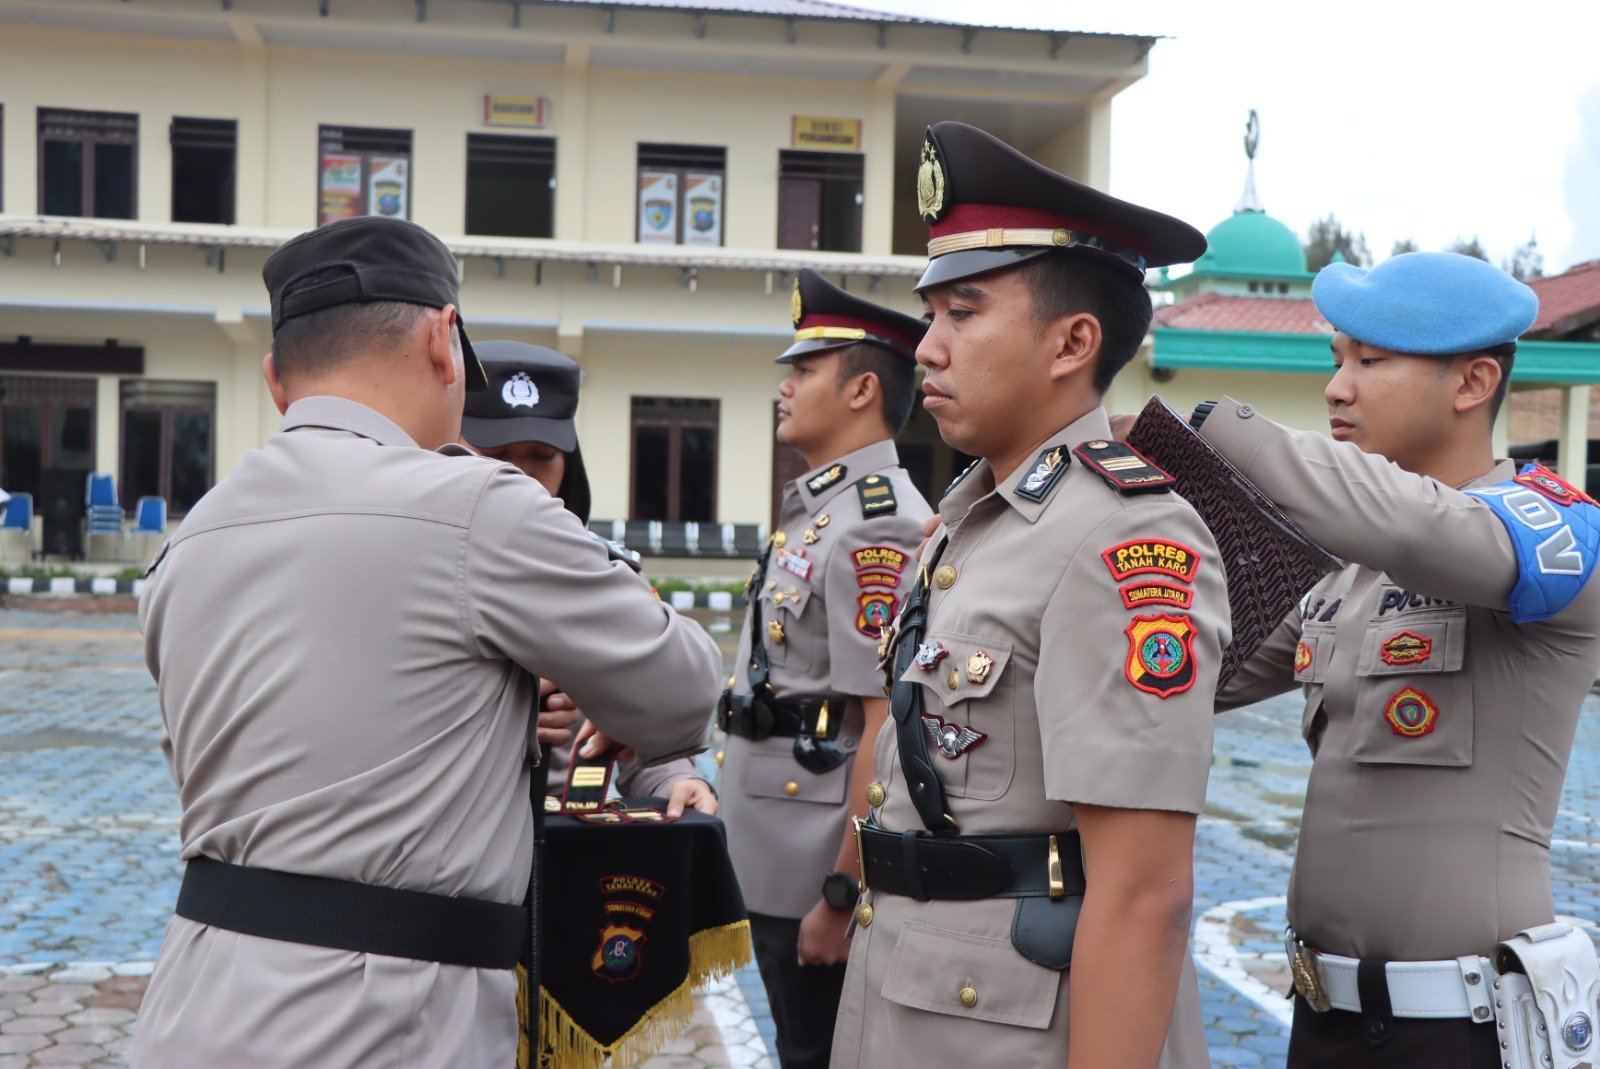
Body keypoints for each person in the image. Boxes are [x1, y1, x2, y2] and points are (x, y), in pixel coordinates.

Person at [130, 215, 723, 1069]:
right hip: (380, 1021)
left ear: (275, 379)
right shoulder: (476, 507)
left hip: (193, 1002)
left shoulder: (188, 542)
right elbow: (682, 689)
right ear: (445, 341)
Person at [830, 122, 1229, 1069]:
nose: (928, 349)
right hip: (911, 999)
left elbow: (1145, 894)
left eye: (962, 314)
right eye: (931, 316)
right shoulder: (970, 521)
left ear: (1072, 343)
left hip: (1014, 1031)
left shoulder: (1125, 535)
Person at [1197, 251, 1600, 1069]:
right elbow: (1199, 671)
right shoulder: (1345, 569)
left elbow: (1420, 527)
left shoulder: (1551, 533)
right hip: (1325, 1020)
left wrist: (1215, 430)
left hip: (1464, 1029)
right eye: (1337, 360)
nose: (1336, 388)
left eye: (1371, 362)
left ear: (1473, 382)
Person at [717, 267, 932, 1069]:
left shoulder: (877, 525)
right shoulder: (824, 509)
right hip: (777, 850)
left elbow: (882, 726)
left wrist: (843, 893)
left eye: (805, 369)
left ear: (861, 389)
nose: (785, 385)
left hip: (814, 866)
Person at [460, 339, 717, 819]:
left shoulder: (603, 574)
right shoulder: (420, 559)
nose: (521, 476)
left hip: (566, 830)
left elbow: (646, 724)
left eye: (542, 455)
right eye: (497, 453)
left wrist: (676, 778)